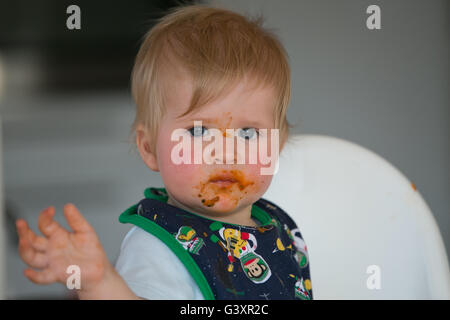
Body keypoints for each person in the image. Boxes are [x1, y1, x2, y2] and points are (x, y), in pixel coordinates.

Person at [15, 4, 313, 300]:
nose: (225, 153)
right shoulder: (158, 248)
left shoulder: (278, 227)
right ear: (149, 148)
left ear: (277, 146)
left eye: (247, 133)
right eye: (198, 131)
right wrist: (102, 284)